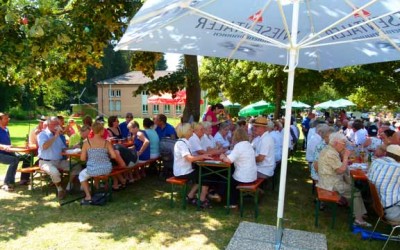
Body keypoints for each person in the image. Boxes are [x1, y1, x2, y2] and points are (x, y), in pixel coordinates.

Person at [317, 132, 370, 227]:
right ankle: (359, 219)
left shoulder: (329, 150)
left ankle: (359, 213)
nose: (345, 145)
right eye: (343, 143)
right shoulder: (331, 153)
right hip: (330, 184)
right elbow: (341, 170)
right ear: (336, 143)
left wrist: (345, 160)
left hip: (327, 180)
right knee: (355, 192)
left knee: (352, 186)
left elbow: (337, 166)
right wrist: (345, 157)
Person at [37, 116, 81, 200]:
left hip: (59, 161)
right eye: (55, 124)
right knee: (55, 172)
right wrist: (55, 136)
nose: (57, 126)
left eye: (58, 124)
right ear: (49, 124)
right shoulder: (42, 134)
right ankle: (60, 189)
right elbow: (45, 146)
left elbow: (63, 149)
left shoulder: (57, 136)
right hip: (46, 162)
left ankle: (68, 186)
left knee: (77, 166)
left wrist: (73, 147)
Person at [173, 123, 213, 208]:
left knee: (204, 172)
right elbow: (189, 158)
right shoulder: (181, 143)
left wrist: (202, 157)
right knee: (205, 175)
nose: (193, 130)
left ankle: (190, 196)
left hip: (186, 170)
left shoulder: (185, 142)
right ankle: (201, 200)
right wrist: (202, 156)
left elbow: (191, 157)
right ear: (187, 131)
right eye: (191, 129)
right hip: (182, 172)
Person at [79, 122, 116, 205]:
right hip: (106, 169)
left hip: (93, 169)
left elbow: (82, 158)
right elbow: (114, 156)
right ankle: (99, 189)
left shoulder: (86, 143)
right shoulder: (107, 142)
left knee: (81, 175)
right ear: (101, 131)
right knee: (98, 174)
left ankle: (88, 196)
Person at [220, 128, 257, 208]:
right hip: (252, 175)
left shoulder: (239, 146)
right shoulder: (248, 144)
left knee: (225, 180)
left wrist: (223, 157)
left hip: (244, 177)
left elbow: (229, 160)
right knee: (231, 176)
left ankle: (231, 202)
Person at [368, 144, 400, 223]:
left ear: (386, 153)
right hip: (393, 212)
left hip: (379, 207)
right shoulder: (397, 167)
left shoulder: (375, 161)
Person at [0, 113, 21, 191]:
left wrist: (11, 146)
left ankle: (24, 179)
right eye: (6, 118)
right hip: (1, 153)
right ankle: (7, 183)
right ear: (0, 120)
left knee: (25, 157)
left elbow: (8, 143)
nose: (8, 120)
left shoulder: (6, 129)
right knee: (14, 160)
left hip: (8, 152)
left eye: (8, 118)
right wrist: (3, 147)